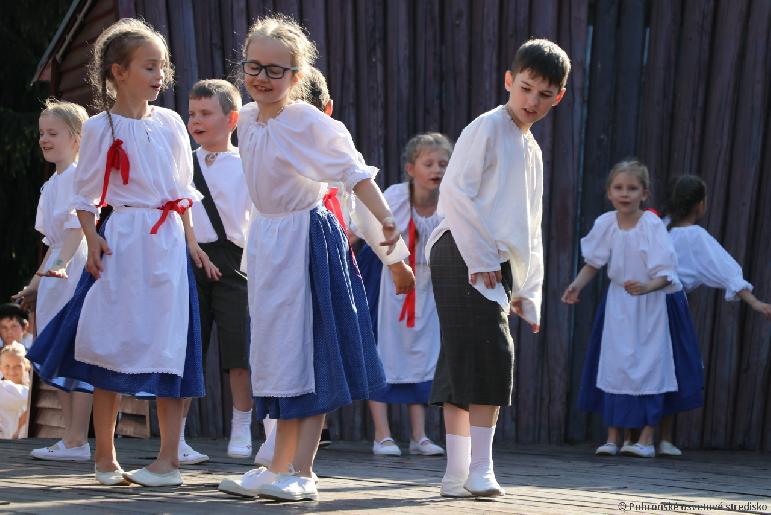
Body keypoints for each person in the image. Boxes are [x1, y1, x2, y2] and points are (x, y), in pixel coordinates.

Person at [216, 14, 413, 502]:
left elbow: (353, 171)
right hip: (268, 241)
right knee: (275, 353)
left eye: (275, 70)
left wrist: (388, 225)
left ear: (296, 77)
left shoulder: (305, 120)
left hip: (306, 237)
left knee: (308, 344)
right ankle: (276, 463)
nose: (262, 77)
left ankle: (303, 469)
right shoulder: (248, 121)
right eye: (254, 66)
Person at [27, 18, 219, 487]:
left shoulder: (172, 122)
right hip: (124, 238)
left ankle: (168, 460)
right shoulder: (98, 127)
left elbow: (183, 190)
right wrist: (92, 241)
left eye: (162, 67)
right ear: (118, 71)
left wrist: (191, 241)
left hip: (167, 242)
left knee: (172, 344)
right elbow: (87, 195)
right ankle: (105, 458)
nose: (160, 75)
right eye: (149, 66)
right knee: (108, 339)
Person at [425, 38, 569, 498]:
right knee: (491, 350)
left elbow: (530, 224)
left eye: (544, 95)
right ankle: (480, 469)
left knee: (462, 354)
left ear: (558, 96)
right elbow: (454, 193)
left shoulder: (532, 149)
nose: (532, 101)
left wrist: (528, 289)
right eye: (526, 88)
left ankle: (455, 473)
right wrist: (482, 257)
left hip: (492, 260)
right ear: (509, 80)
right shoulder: (486, 128)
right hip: (463, 252)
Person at [563, 160, 682, 459]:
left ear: (644, 193)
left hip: (648, 305)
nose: (625, 194)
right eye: (619, 188)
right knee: (615, 364)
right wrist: (577, 285)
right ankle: (613, 436)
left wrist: (647, 287)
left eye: (632, 188)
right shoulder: (606, 223)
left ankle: (645, 437)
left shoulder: (651, 224)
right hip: (619, 304)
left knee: (649, 364)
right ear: (609, 193)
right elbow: (594, 262)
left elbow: (666, 272)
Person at [253, 65, 335, 468]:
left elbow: (361, 199)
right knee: (286, 359)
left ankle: (301, 468)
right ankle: (279, 466)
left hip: (315, 259)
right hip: (277, 258)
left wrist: (394, 260)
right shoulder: (260, 130)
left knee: (313, 358)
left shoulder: (323, 181)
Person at [656, 175, 771, 455]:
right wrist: (754, 302)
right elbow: (726, 269)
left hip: (643, 304)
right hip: (670, 306)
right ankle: (664, 439)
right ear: (700, 205)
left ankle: (637, 438)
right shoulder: (695, 236)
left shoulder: (657, 228)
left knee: (646, 365)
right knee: (675, 367)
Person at [12, 99, 94, 462]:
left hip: (74, 271)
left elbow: (77, 231)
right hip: (55, 275)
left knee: (76, 351)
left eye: (53, 133)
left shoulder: (80, 176)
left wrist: (59, 267)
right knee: (54, 353)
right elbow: (52, 242)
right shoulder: (51, 185)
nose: (44, 140)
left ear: (76, 138)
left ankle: (79, 439)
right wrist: (35, 283)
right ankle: (70, 437)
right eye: (42, 133)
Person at [178, 79, 253, 465]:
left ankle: (242, 427)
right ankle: (177, 436)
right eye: (192, 114)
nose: (197, 120)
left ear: (232, 119)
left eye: (206, 113)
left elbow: (255, 218)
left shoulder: (246, 163)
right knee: (188, 347)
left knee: (238, 348)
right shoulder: (182, 163)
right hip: (189, 259)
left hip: (234, 261)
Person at [365, 133, 451, 457]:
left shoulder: (449, 203)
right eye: (429, 163)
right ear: (411, 168)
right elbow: (366, 228)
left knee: (422, 354)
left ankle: (419, 435)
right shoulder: (396, 196)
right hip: (390, 283)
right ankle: (382, 434)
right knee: (383, 351)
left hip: (428, 286)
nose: (437, 169)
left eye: (443, 163)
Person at [0, 342, 31, 439]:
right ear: (0, 367)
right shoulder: (4, 389)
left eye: (17, 366)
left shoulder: (28, 389)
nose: (12, 371)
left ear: (26, 366)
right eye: (7, 366)